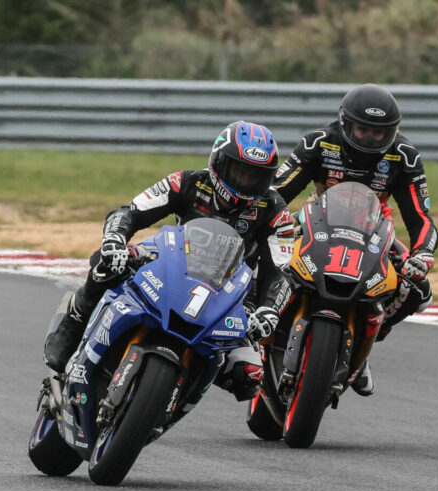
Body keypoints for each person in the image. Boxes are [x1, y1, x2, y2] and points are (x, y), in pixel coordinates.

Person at [43, 121, 295, 401]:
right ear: (218, 163)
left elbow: (282, 270)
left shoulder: (275, 211)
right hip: (168, 263)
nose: (246, 183)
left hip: (230, 292)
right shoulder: (186, 182)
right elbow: (130, 211)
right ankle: (74, 324)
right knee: (106, 263)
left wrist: (269, 310)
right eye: (239, 171)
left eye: (255, 177)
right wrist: (115, 239)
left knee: (247, 376)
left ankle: (176, 392)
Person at [271, 83, 438, 397]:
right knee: (266, 253)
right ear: (346, 124)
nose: (370, 138)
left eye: (379, 132)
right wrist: (272, 223)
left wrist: (424, 254)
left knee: (419, 289)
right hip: (315, 221)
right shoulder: (319, 143)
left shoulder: (405, 157)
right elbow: (277, 192)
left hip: (376, 232)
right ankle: (264, 320)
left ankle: (368, 341)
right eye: (363, 130)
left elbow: (421, 218)